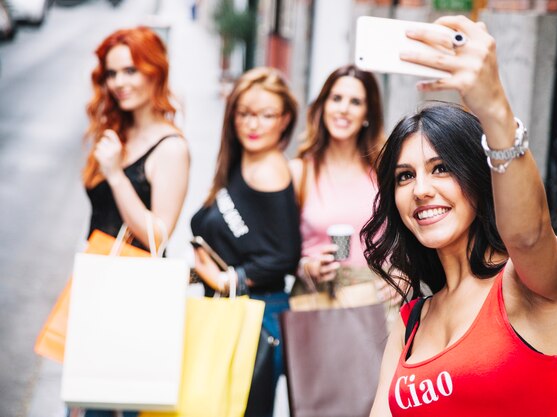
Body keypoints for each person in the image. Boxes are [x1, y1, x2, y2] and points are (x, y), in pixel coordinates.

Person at [362, 16, 557, 417]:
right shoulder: (412, 321)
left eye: (441, 168)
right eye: (405, 176)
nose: (421, 189)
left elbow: (528, 236)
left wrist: (493, 104)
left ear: (478, 179)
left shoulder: (527, 286)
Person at [70, 26, 190, 417]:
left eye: (130, 71)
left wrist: (117, 174)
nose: (119, 82)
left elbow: (158, 233)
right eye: (111, 73)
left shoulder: (170, 147)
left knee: (120, 402)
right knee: (85, 400)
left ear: (155, 70)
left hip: (134, 299)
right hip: (98, 285)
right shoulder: (117, 130)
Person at [190, 67, 301, 417]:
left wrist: (229, 278)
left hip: (256, 315)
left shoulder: (269, 170)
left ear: (284, 120)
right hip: (234, 312)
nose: (253, 124)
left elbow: (285, 256)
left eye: (266, 115)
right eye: (245, 113)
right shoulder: (242, 164)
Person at [289, 64, 399, 311]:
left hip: (375, 299)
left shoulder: (384, 170)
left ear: (368, 113)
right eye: (336, 98)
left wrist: (404, 274)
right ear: (323, 107)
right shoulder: (299, 172)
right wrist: (307, 266)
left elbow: (409, 234)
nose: (344, 109)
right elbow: (281, 249)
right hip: (316, 300)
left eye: (355, 102)